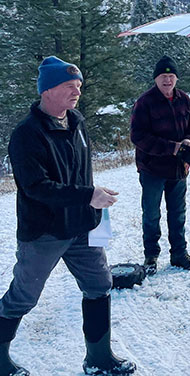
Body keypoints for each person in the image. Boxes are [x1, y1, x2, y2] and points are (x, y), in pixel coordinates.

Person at [0, 56, 135, 376]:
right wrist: (88, 195)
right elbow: (36, 187)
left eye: (79, 86)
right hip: (44, 231)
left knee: (100, 284)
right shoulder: (26, 134)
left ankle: (99, 357)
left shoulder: (76, 121)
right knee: (23, 297)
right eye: (69, 86)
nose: (77, 91)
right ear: (47, 90)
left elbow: (77, 174)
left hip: (82, 225)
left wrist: (92, 196)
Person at [130, 55, 190, 275]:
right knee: (151, 213)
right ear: (156, 79)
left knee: (178, 213)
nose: (167, 80)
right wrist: (173, 148)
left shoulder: (184, 99)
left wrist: (189, 142)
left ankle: (179, 254)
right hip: (152, 169)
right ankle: (151, 255)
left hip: (178, 169)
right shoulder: (145, 103)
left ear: (176, 79)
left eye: (171, 76)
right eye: (163, 76)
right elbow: (138, 137)